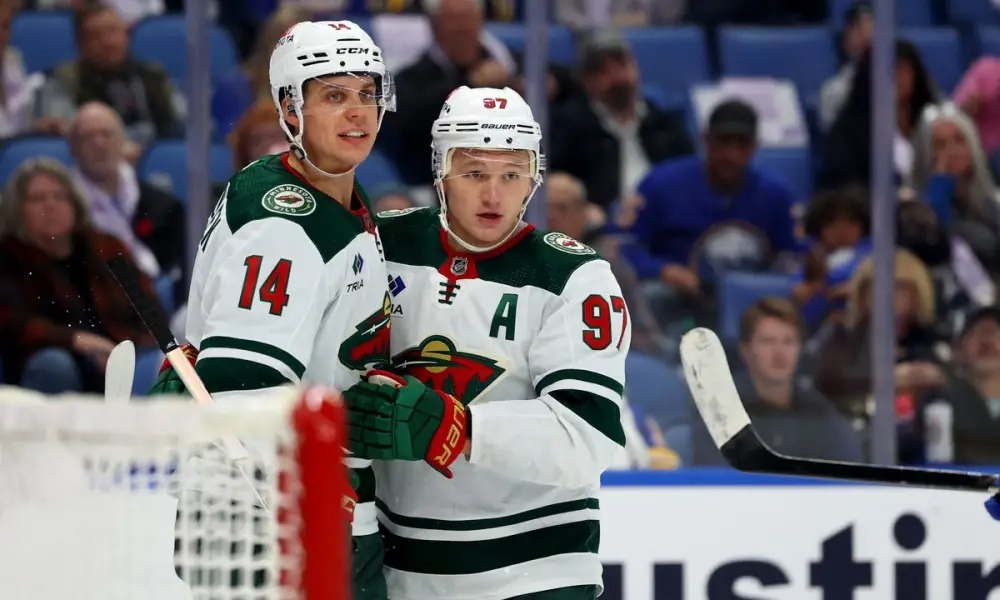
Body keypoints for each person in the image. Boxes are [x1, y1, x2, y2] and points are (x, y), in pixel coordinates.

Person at [148, 20, 398, 600]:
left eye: (367, 92)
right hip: (283, 523)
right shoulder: (285, 226)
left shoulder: (323, 195)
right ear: (290, 109)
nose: (358, 112)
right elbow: (243, 397)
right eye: (334, 95)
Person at [351, 86, 630, 599]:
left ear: (533, 175)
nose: (494, 195)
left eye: (512, 174)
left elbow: (585, 438)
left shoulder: (576, 277)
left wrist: (453, 425)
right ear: (441, 170)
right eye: (475, 173)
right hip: (403, 570)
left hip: (540, 572)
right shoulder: (376, 245)